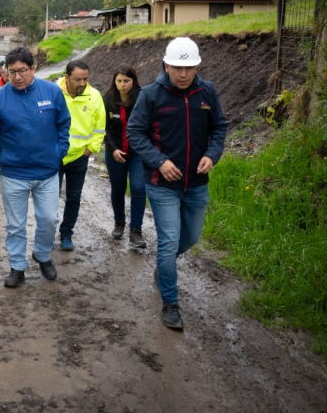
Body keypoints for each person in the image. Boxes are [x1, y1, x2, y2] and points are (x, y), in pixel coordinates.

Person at [127, 37, 228, 330]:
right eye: (177, 68)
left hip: (196, 182)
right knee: (169, 240)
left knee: (192, 238)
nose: (183, 74)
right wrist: (159, 160)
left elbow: (219, 127)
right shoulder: (151, 95)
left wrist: (212, 154)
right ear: (165, 65)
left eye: (189, 68)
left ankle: (164, 266)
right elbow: (135, 134)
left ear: (197, 66)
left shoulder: (206, 91)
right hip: (162, 183)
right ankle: (170, 302)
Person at [0, 47, 70, 288]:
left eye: (22, 71)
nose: (17, 77)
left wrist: (59, 151)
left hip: (47, 172)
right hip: (14, 174)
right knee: (15, 224)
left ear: (33, 69)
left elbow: (63, 124)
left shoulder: (51, 91)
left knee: (49, 219)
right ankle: (17, 266)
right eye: (12, 72)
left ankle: (42, 254)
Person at [57, 60, 106, 251]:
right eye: (78, 79)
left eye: (85, 79)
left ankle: (67, 232)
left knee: (74, 196)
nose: (82, 83)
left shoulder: (94, 96)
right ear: (67, 77)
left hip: (79, 157)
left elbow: (100, 127)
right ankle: (46, 231)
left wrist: (90, 150)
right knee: (50, 198)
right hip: (56, 156)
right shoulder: (54, 93)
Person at [102, 66, 146, 249]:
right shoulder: (107, 100)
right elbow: (103, 128)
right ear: (114, 81)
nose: (123, 84)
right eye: (119, 81)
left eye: (126, 81)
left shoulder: (142, 98)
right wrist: (112, 150)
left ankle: (136, 231)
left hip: (138, 153)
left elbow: (148, 126)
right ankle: (119, 223)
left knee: (138, 187)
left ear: (133, 81)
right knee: (118, 188)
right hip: (115, 152)